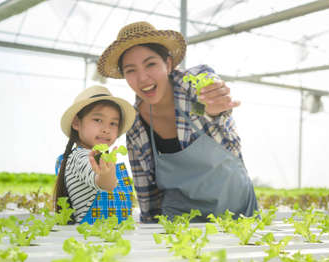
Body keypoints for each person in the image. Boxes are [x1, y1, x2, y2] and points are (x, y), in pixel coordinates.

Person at [97, 22, 259, 223]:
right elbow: (147, 191)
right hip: (181, 223)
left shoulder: (193, 87)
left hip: (236, 212)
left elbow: (209, 100)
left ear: (169, 63)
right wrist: (151, 231)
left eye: (151, 64)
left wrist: (214, 108)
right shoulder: (135, 126)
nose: (142, 78)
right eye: (131, 70)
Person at [53, 85, 136, 224]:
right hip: (90, 240)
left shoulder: (99, 159)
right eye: (98, 120)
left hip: (111, 239)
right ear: (76, 123)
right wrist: (105, 175)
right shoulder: (80, 157)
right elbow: (105, 184)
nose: (106, 129)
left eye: (113, 123)